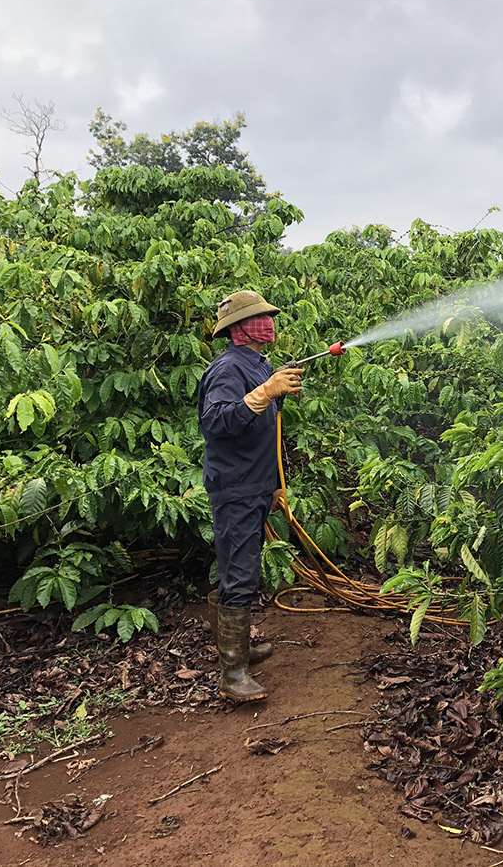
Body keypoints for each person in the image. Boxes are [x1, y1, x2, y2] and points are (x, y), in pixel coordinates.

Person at [197, 290, 305, 702]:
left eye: (269, 315)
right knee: (240, 574)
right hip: (236, 488)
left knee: (241, 567)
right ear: (240, 328)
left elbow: (267, 434)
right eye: (260, 317)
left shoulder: (258, 364)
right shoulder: (228, 367)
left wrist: (274, 483)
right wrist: (263, 393)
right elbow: (216, 421)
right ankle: (233, 674)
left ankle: (235, 649)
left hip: (255, 485)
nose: (270, 322)